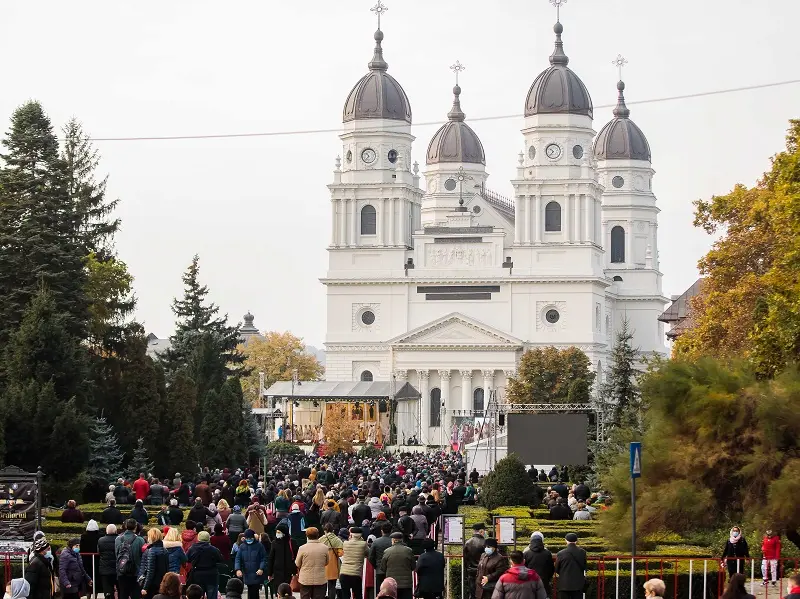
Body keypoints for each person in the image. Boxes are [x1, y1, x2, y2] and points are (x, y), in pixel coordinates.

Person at [187, 530, 224, 599]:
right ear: (208, 538)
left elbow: (187, 559)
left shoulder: (192, 548)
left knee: (198, 596)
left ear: (198, 538)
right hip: (211, 575)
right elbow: (221, 559)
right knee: (212, 596)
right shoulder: (214, 549)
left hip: (198, 575)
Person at [295, 527, 329, 599]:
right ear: (318, 535)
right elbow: (326, 562)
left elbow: (297, 563)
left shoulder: (302, 548)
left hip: (305, 579)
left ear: (306, 536)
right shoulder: (325, 548)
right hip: (320, 579)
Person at [115, 519, 145, 599]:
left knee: (123, 594)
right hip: (136, 572)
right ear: (135, 527)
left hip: (121, 571)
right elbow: (143, 557)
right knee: (136, 594)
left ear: (125, 526)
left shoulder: (118, 539)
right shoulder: (140, 540)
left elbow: (117, 554)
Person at [380, 532, 414, 599]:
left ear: (393, 540)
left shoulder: (387, 551)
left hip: (391, 584)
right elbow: (413, 566)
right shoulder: (409, 550)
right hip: (406, 584)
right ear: (402, 540)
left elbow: (383, 567)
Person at [235, 530, 267, 599]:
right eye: (247, 538)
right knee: (250, 590)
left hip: (257, 572)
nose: (249, 540)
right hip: (247, 573)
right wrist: (238, 569)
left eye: (250, 538)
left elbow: (263, 558)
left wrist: (261, 568)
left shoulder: (259, 546)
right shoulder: (242, 547)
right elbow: (238, 559)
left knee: (254, 591)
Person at [267, 523, 297, 597]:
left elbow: (296, 556)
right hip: (278, 572)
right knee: (278, 592)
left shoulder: (292, 542)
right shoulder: (274, 543)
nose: (277, 533)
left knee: (288, 591)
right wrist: (269, 573)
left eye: (279, 532)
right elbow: (271, 558)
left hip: (289, 572)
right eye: (277, 532)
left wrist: (295, 571)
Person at [554, 533, 587, 599]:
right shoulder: (582, 552)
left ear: (566, 540)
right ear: (576, 541)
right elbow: (584, 566)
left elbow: (556, 569)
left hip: (564, 584)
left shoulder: (561, 553)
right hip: (578, 584)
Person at [140, 528, 169, 599]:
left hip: (152, 584)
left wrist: (145, 587)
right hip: (161, 582)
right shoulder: (165, 550)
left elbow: (150, 571)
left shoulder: (151, 551)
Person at [340, 527, 369, 599]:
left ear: (351, 534)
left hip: (344, 573)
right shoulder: (363, 544)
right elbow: (368, 554)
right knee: (358, 595)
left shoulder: (345, 543)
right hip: (356, 574)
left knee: (345, 595)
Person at [522, 532, 554, 598]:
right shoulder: (547, 553)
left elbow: (523, 568)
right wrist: (548, 577)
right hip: (544, 580)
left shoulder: (526, 553)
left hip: (530, 580)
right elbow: (551, 568)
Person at [320, 523, 344, 599]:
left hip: (322, 566)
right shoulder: (337, 540)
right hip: (333, 566)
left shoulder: (321, 540)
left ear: (325, 530)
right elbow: (340, 554)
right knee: (332, 586)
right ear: (333, 530)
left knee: (322, 586)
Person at [464, 524, 486, 599]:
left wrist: (467, 568)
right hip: (482, 571)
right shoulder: (485, 543)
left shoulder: (468, 542)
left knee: (472, 591)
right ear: (481, 531)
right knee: (482, 592)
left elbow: (465, 559)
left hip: (471, 570)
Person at [97, 524, 119, 599]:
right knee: (120, 590)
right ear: (116, 531)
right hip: (118, 569)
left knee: (108, 592)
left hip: (105, 570)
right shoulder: (120, 539)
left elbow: (99, 552)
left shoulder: (101, 540)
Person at [369, 523, 393, 588]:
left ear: (381, 531)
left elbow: (371, 557)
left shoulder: (376, 542)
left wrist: (376, 566)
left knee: (380, 590)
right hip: (392, 570)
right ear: (391, 531)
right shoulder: (393, 542)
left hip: (379, 570)